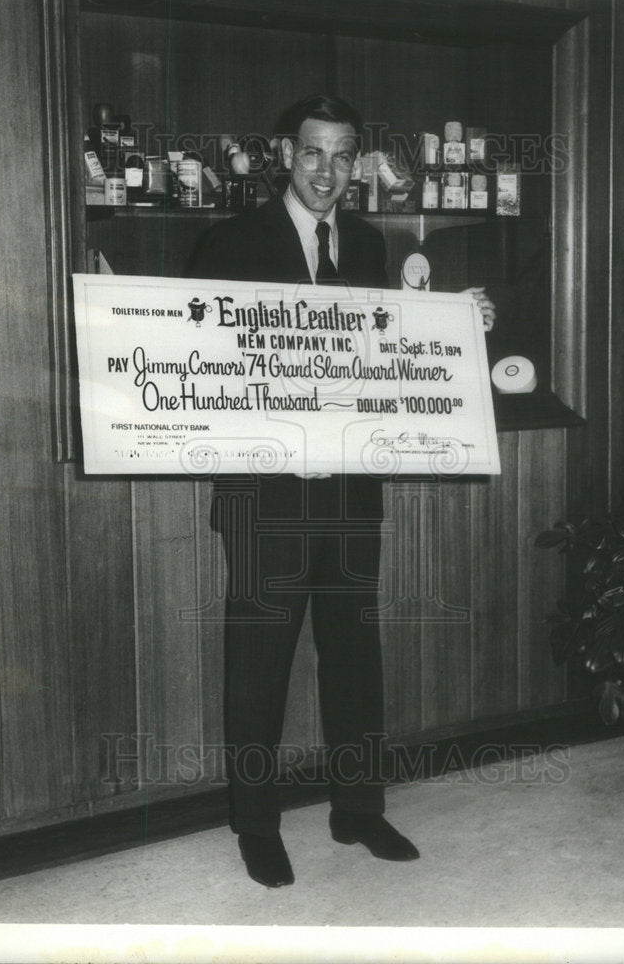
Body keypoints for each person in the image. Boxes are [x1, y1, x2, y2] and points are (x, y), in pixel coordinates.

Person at [187, 95, 495, 888]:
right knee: (258, 664)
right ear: (285, 155)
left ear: (359, 162)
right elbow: (195, 351)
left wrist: (459, 324)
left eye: (343, 155)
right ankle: (255, 823)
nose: (327, 172)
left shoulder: (365, 240)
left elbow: (390, 345)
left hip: (352, 488)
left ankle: (357, 808)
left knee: (355, 655)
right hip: (266, 493)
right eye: (313, 153)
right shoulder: (231, 239)